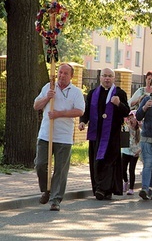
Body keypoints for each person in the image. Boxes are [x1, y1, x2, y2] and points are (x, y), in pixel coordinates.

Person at [34, 63, 85, 211]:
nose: (62, 76)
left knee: (60, 170)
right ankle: (47, 189)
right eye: (60, 72)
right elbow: (36, 105)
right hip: (45, 135)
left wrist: (59, 114)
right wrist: (47, 98)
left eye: (65, 73)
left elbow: (80, 111)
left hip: (64, 137)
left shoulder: (75, 92)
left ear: (71, 76)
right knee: (40, 164)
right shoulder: (48, 87)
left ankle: (55, 199)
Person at [78, 68, 130, 200]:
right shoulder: (93, 93)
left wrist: (119, 104)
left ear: (114, 78)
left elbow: (126, 112)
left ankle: (104, 189)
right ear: (100, 77)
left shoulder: (119, 93)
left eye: (110, 76)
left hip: (112, 135)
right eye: (104, 76)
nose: (107, 78)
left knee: (109, 162)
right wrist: (83, 122)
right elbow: (87, 110)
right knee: (97, 161)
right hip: (96, 134)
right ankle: (99, 188)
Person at [121, 110, 141, 195]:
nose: (131, 121)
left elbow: (142, 143)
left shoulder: (140, 131)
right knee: (123, 169)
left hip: (134, 153)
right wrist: (128, 126)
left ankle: (131, 188)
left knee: (131, 170)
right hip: (126, 151)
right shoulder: (126, 128)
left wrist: (139, 151)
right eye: (129, 119)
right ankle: (125, 181)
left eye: (132, 119)